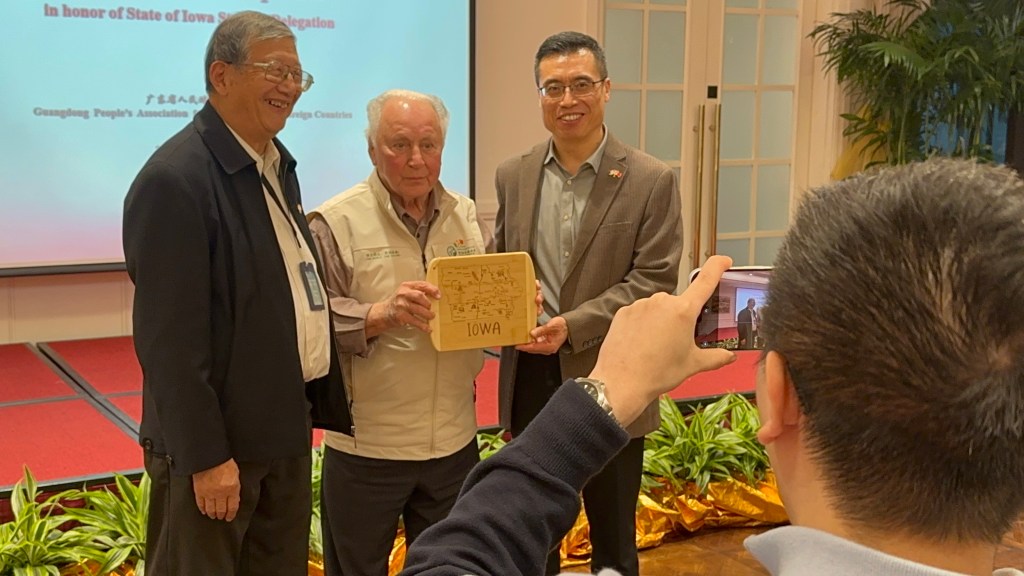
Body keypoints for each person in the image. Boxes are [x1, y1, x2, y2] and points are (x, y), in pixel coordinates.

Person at [399, 158, 1024, 576]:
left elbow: (454, 559)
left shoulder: (647, 177)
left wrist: (604, 393)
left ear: (776, 396)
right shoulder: (517, 174)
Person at [122, 11, 350, 576]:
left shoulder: (274, 164)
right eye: (276, 71)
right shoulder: (175, 179)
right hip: (217, 452)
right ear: (221, 75)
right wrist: (206, 458)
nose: (290, 87)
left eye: (297, 75)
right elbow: (170, 345)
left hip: (281, 430)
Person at [493, 31, 683, 576]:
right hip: (531, 371)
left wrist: (571, 324)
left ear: (605, 89)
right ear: (539, 95)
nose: (567, 100)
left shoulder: (650, 178)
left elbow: (654, 280)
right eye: (553, 88)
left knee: (613, 536)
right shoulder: (514, 174)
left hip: (614, 371)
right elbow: (502, 263)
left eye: (581, 84)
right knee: (535, 529)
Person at [307, 89, 494, 576]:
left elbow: (488, 304)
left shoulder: (465, 215)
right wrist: (381, 314)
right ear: (372, 149)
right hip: (368, 449)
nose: (416, 159)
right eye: (400, 144)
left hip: (454, 443)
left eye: (429, 145)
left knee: (451, 569)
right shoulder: (335, 221)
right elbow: (311, 320)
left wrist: (516, 305)